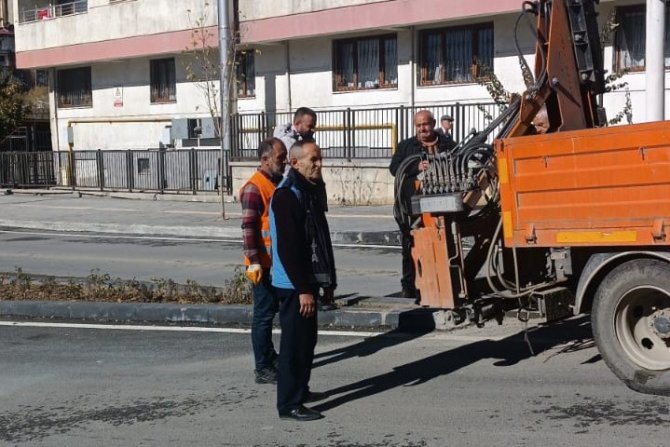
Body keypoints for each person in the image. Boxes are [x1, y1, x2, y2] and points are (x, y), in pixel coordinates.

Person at [270, 140, 337, 421]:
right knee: (294, 346)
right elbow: (289, 248)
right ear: (295, 163)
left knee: (307, 342)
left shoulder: (307, 192)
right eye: (313, 159)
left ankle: (301, 389)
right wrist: (303, 290)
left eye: (320, 158)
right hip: (293, 286)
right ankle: (289, 404)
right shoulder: (287, 195)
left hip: (304, 282)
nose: (319, 163)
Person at [389, 110, 456, 299]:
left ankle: (441, 285)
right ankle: (409, 286)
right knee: (410, 247)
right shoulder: (406, 146)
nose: (422, 129)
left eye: (425, 124)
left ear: (433, 123)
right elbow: (394, 168)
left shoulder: (447, 144)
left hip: (440, 204)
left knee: (442, 245)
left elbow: (459, 162)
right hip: (411, 206)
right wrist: (415, 167)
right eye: (418, 126)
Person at [240, 137, 288, 385]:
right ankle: (262, 367)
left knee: (269, 313)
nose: (284, 162)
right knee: (263, 316)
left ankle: (270, 356)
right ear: (265, 159)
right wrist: (254, 261)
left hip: (274, 262)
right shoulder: (254, 187)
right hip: (262, 264)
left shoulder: (275, 183)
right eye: (280, 159)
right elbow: (248, 226)